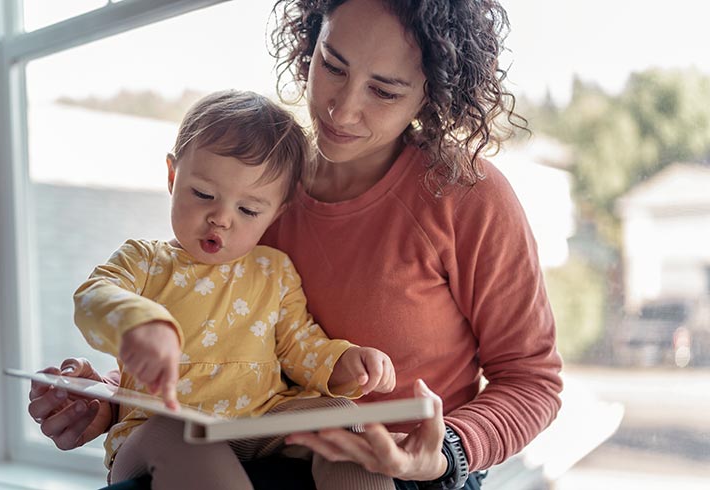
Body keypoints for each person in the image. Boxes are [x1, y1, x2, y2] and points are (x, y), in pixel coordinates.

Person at [29, 1, 564, 489]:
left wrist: (445, 451)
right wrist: (104, 402)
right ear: (310, 42)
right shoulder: (256, 190)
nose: (341, 108)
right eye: (332, 65)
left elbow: (532, 380)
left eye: (384, 90)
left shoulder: (466, 195)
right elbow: (213, 343)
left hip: (404, 472)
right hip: (249, 446)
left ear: (433, 92)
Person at [63, 88, 398, 489]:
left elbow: (299, 346)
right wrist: (139, 324)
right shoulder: (145, 261)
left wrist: (347, 362)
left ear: (276, 212)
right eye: (203, 194)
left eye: (248, 210)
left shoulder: (274, 270)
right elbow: (92, 297)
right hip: (158, 431)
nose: (220, 218)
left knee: (343, 417)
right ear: (173, 177)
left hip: (260, 423)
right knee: (181, 431)